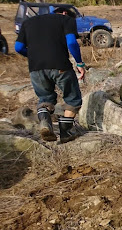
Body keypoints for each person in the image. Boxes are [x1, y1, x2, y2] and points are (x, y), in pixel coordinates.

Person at [15, 7, 86, 143]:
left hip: (35, 68)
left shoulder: (28, 22)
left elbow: (18, 47)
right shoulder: (66, 19)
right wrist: (80, 63)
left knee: (45, 98)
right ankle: (66, 133)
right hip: (60, 65)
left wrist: (33, 56)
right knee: (73, 99)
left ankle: (45, 123)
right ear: (65, 12)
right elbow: (71, 42)